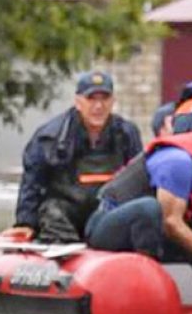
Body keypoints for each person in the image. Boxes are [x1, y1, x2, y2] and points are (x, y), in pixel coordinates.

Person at [85, 116, 192, 273]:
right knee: (149, 208)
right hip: (106, 225)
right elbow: (171, 223)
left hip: (153, 234)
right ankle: (148, 276)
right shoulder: (178, 162)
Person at [11, 71, 143, 244]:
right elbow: (32, 183)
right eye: (91, 99)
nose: (98, 106)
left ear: (112, 102)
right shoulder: (50, 137)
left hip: (105, 212)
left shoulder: (127, 134)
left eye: (104, 99)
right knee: (52, 210)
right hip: (65, 212)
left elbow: (139, 179)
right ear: (78, 102)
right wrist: (25, 222)